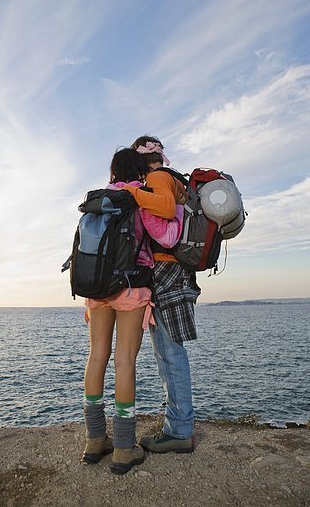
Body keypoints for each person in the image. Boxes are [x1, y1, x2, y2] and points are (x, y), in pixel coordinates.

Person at [82, 148, 184, 474]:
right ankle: (124, 448)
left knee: (97, 357)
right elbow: (164, 237)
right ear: (138, 171)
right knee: (124, 360)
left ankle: (95, 440)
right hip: (130, 287)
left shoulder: (98, 200)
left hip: (95, 288)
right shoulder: (138, 198)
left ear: (112, 170)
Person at [123, 135, 201, 453]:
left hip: (167, 270)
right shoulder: (171, 178)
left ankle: (180, 431)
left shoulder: (157, 178)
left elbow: (166, 208)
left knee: (168, 351)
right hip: (176, 269)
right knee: (168, 350)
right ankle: (176, 422)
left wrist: (132, 191)